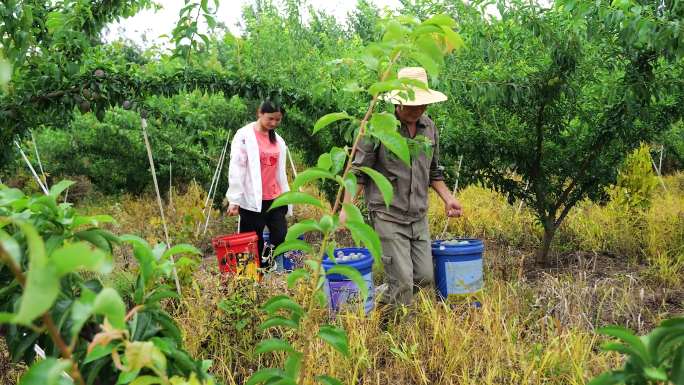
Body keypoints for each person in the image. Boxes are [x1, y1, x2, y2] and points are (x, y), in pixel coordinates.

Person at [341, 67, 463, 306]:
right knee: (403, 281)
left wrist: (448, 198)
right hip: (388, 214)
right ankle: (394, 330)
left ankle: (381, 302)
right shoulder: (379, 129)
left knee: (424, 277)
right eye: (412, 104)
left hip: (418, 215)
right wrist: (347, 209)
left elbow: (433, 171)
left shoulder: (429, 128)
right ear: (398, 101)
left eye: (422, 104)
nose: (417, 109)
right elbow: (358, 173)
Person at [226, 100, 292, 270]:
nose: (274, 123)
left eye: (278, 120)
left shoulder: (278, 139)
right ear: (259, 113)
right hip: (252, 198)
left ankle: (269, 265)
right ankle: (254, 274)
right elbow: (237, 167)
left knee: (280, 235)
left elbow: (280, 171)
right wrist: (234, 199)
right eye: (270, 119)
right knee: (253, 240)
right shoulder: (244, 136)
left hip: (275, 197)